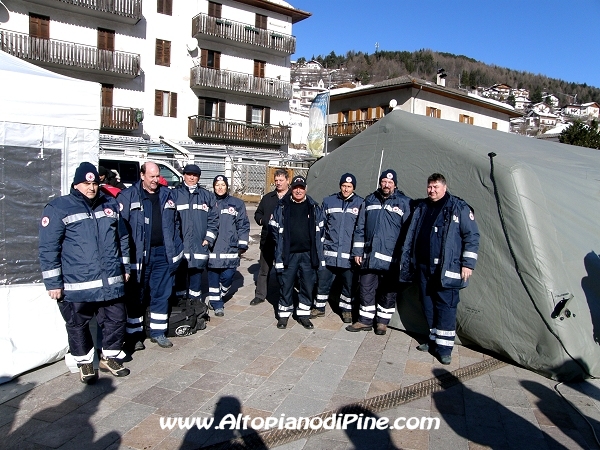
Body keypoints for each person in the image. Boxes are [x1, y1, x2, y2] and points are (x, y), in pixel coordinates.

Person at [39, 162, 130, 383]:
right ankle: (85, 363)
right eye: (86, 184)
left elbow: (123, 238)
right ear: (76, 184)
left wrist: (125, 267)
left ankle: (109, 357)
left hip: (110, 281)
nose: (91, 188)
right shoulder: (59, 207)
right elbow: (48, 247)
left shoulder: (110, 204)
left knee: (116, 319)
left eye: (94, 183)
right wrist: (53, 282)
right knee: (77, 324)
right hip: (77, 283)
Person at [400, 173, 479, 365]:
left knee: (446, 306)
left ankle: (444, 349)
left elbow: (472, 236)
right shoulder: (423, 207)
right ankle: (433, 339)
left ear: (444, 187)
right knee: (427, 304)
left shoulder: (458, 207)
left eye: (435, 187)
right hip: (424, 267)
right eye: (429, 187)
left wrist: (468, 264)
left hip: (446, 269)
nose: (432, 190)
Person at [117, 162, 184, 349]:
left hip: (163, 253)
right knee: (137, 295)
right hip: (139, 255)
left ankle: (158, 332)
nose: (155, 180)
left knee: (161, 293)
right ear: (142, 175)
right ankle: (134, 335)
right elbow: (121, 229)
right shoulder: (128, 196)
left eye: (157, 176)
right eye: (152, 176)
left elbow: (176, 223)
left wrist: (177, 247)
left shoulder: (167, 195)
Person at [347, 169, 411, 336]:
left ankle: (382, 323)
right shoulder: (369, 200)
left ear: (395, 184)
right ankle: (365, 321)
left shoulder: (404, 203)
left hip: (391, 259)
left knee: (388, 292)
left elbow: (408, 233)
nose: (386, 185)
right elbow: (360, 228)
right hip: (369, 257)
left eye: (390, 182)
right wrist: (357, 252)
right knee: (365, 287)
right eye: (384, 181)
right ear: (380, 182)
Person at [271, 176, 323, 330]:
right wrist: (282, 246)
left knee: (307, 285)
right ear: (291, 188)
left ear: (305, 188)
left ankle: (304, 315)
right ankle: (284, 316)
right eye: (295, 187)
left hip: (308, 254)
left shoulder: (314, 207)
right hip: (289, 255)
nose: (298, 190)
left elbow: (321, 231)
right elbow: (274, 230)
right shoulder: (282, 207)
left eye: (301, 187)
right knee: (286, 285)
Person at [313, 173, 363, 323]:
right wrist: (319, 248)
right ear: (340, 186)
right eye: (343, 186)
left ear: (353, 188)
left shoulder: (360, 203)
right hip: (329, 253)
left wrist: (357, 252)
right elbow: (321, 226)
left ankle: (346, 310)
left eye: (349, 186)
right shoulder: (329, 202)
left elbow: (361, 230)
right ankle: (319, 307)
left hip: (348, 256)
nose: (346, 189)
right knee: (323, 281)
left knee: (349, 285)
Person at [171, 164, 218, 310]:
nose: (192, 177)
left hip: (199, 245)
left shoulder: (206, 196)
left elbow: (214, 220)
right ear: (183, 175)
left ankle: (195, 309)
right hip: (180, 246)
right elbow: (169, 220)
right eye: (189, 174)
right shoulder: (174, 194)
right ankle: (179, 309)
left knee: (196, 281)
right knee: (179, 280)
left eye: (195, 175)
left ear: (199, 177)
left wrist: (208, 239)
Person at [207, 175, 250, 316]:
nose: (220, 187)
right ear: (213, 186)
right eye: (217, 184)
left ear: (227, 186)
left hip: (230, 249)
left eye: (223, 185)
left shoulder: (237, 203)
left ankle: (219, 294)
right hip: (212, 248)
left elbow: (243, 225)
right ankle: (217, 304)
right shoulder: (208, 202)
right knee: (213, 277)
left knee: (228, 276)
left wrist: (242, 244)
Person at [250, 168, 290, 306]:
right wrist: (263, 220)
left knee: (284, 271)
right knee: (264, 269)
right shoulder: (268, 198)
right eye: (276, 180)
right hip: (268, 240)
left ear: (287, 180)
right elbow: (257, 214)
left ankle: (284, 296)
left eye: (281, 180)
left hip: (285, 242)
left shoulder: (292, 197)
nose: (278, 183)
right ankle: (260, 295)